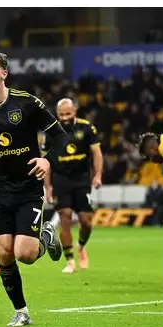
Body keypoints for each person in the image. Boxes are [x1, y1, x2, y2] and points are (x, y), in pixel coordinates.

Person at [0, 51, 67, 327]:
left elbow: (60, 137)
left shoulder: (26, 102)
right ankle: (21, 311)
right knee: (4, 252)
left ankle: (45, 235)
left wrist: (47, 160)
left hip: (28, 187)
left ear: (4, 73)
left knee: (25, 254)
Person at [43, 98, 103, 274]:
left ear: (75, 111)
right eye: (61, 115)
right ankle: (69, 261)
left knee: (86, 221)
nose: (65, 118)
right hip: (60, 180)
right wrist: (47, 187)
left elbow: (97, 153)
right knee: (65, 216)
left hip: (82, 180)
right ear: (57, 114)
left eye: (68, 114)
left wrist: (98, 175)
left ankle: (81, 246)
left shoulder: (87, 128)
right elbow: (45, 161)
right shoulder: (51, 131)